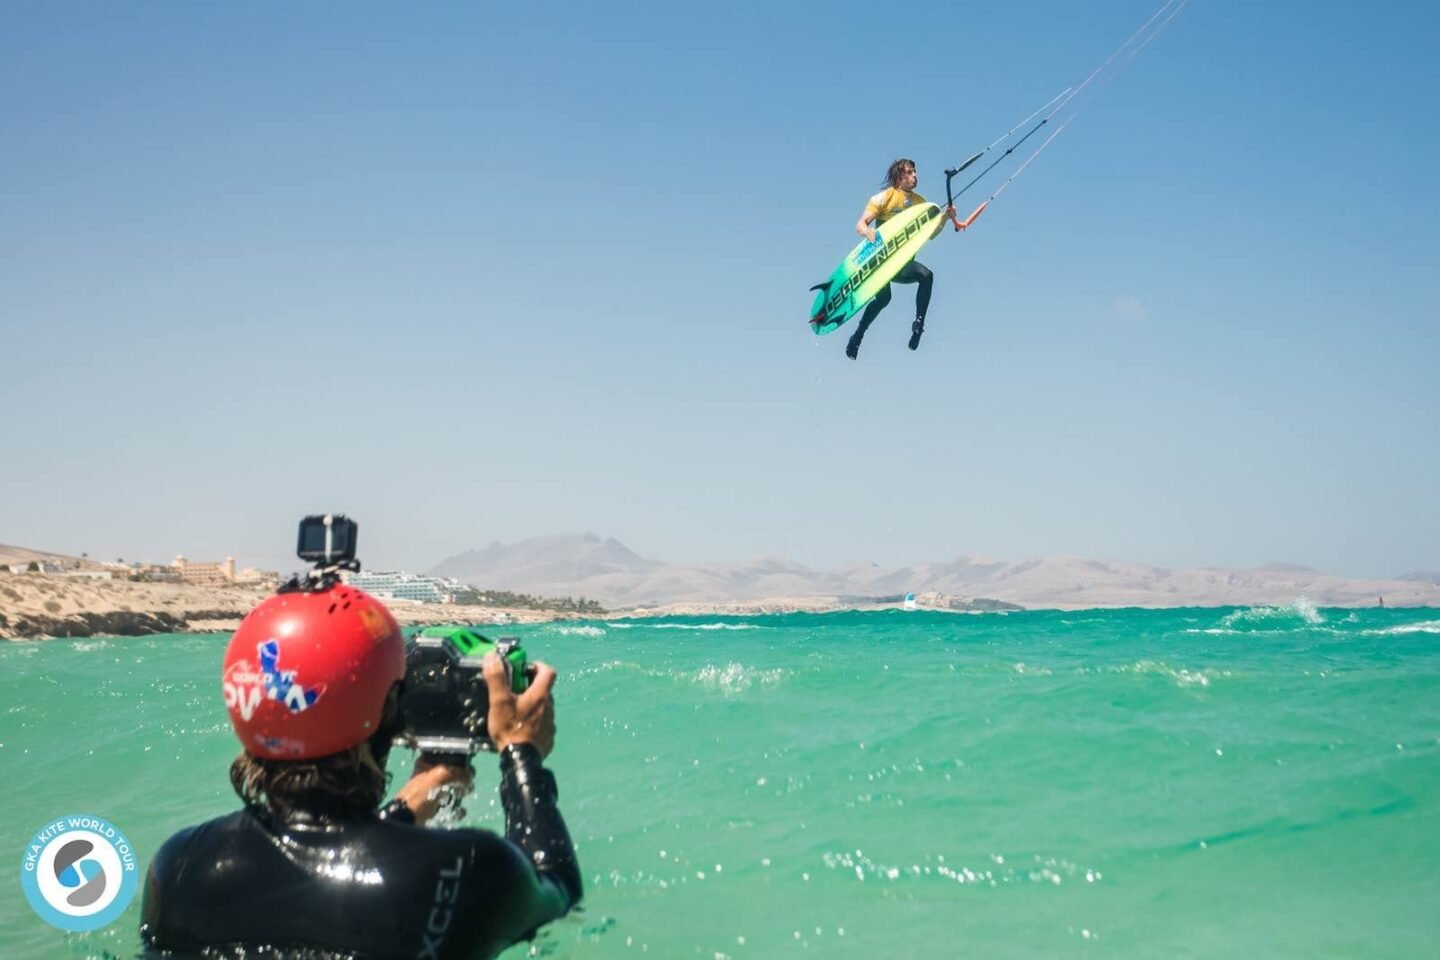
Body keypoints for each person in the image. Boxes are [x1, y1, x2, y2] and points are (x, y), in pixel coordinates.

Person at [140, 583, 581, 960]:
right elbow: (559, 889)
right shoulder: (459, 869)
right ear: (389, 709)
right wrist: (520, 751)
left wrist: (405, 809)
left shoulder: (181, 866)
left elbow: (304, 876)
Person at [846, 158, 957, 360]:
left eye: (915, 172)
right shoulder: (884, 198)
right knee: (884, 299)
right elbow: (860, 224)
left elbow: (931, 234)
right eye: (910, 172)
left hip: (901, 263)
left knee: (926, 275)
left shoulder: (920, 203)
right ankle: (858, 335)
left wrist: (945, 218)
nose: (915, 176)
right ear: (899, 176)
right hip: (879, 262)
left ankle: (918, 324)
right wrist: (867, 232)